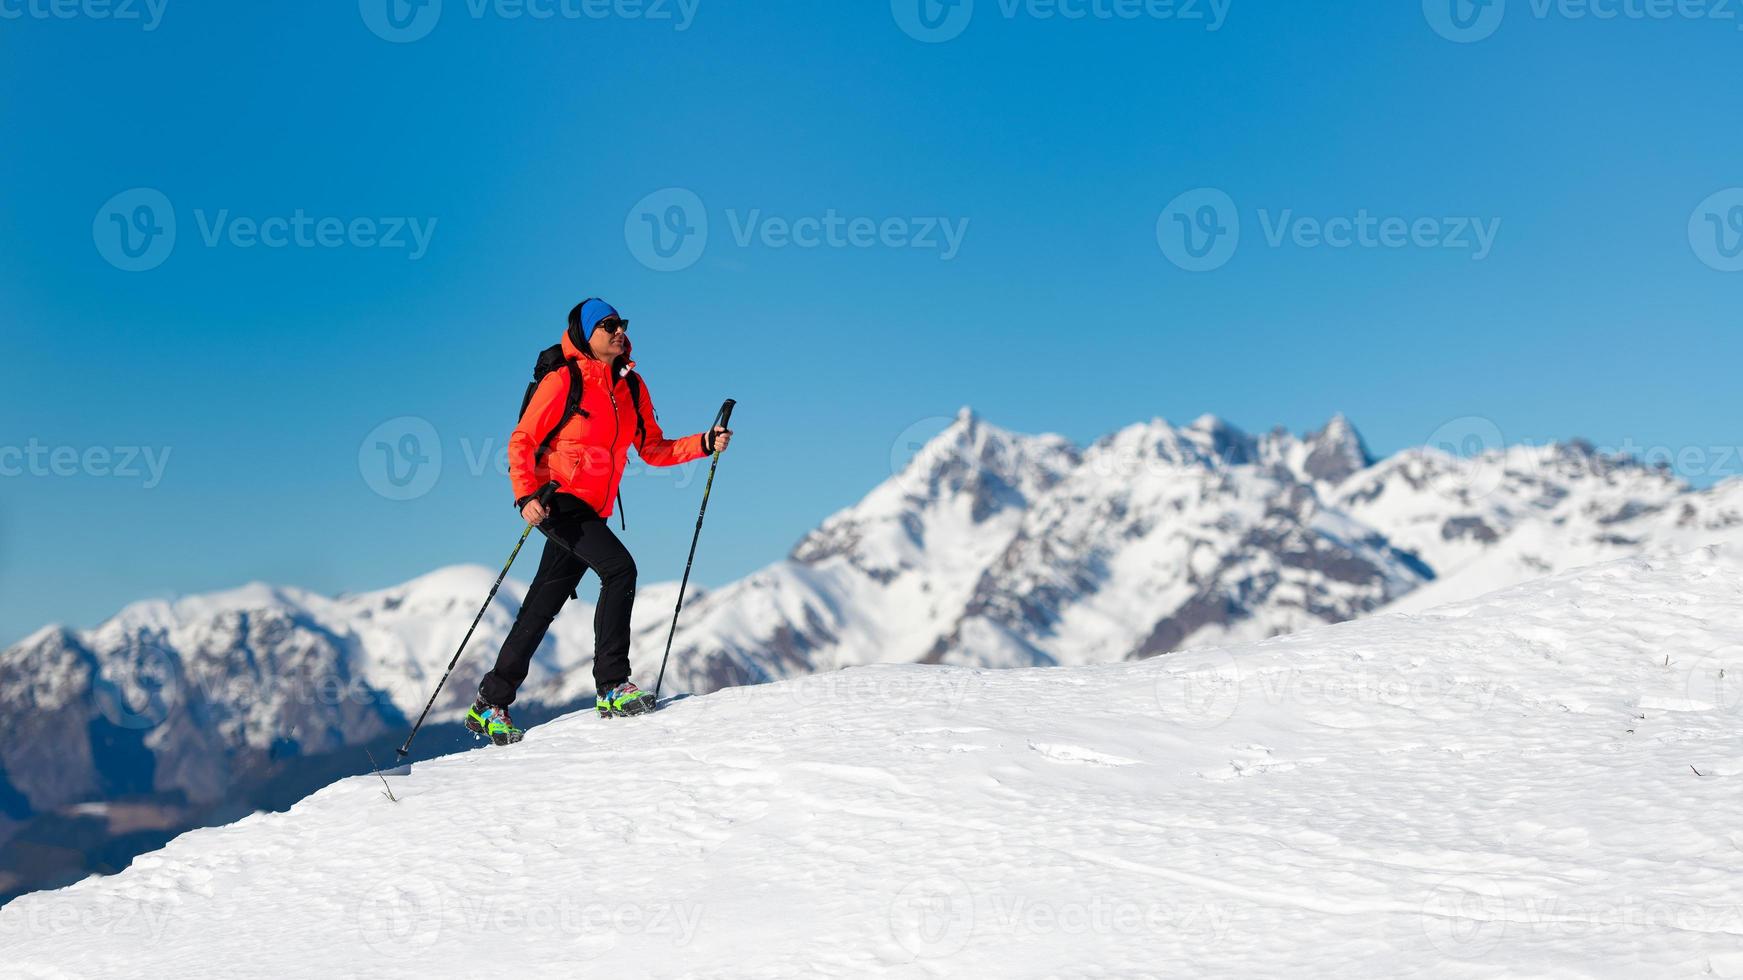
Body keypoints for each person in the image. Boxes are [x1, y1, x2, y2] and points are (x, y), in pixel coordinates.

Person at [466, 298, 731, 744]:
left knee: (541, 606)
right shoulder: (564, 380)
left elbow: (653, 448)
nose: (618, 331)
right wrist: (525, 495)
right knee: (619, 568)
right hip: (558, 500)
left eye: (621, 323)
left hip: (593, 509)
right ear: (587, 333)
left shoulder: (631, 387)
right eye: (608, 325)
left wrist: (704, 443)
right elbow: (522, 440)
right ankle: (611, 686)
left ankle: (489, 703)